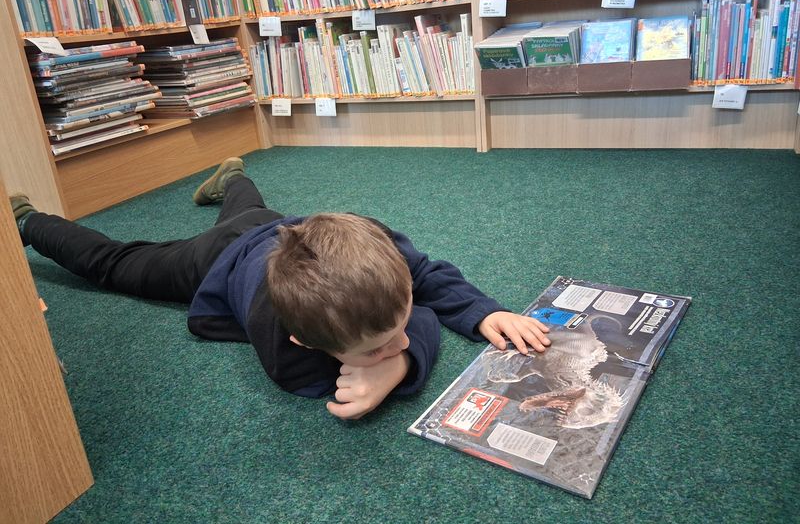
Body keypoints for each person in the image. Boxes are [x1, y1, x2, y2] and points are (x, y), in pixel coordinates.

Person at [11, 157, 551, 420]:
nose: (403, 340)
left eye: (398, 327)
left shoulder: (377, 245)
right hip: (216, 259)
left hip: (286, 229)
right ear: (307, 342)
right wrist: (399, 370)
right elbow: (420, 325)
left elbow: (426, 280)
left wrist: (482, 312)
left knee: (249, 206)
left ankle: (231, 177)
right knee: (117, 264)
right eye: (375, 348)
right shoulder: (288, 354)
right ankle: (28, 220)